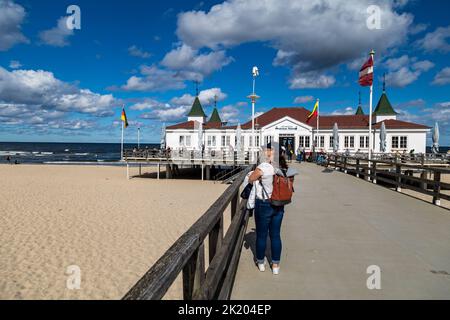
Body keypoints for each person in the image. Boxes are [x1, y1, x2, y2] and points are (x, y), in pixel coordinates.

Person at [248, 144, 286, 275]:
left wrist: (258, 177)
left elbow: (250, 179)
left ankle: (260, 262)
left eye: (265, 150)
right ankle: (275, 265)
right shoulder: (281, 167)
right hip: (279, 204)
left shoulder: (263, 167)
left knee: (262, 235)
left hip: (264, 203)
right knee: (275, 235)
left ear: (269, 152)